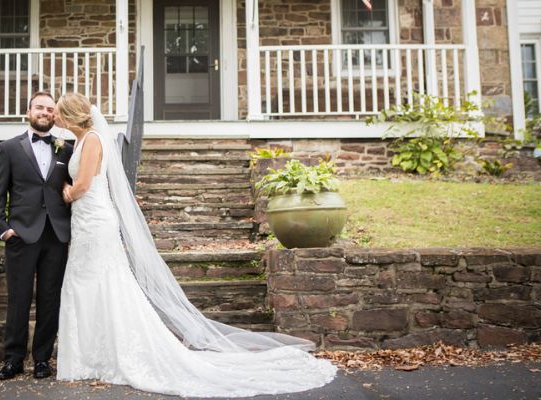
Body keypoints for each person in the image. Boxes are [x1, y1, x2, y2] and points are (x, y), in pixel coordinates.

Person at [52, 92, 337, 397]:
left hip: (95, 221)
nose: (54, 116)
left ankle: (109, 354)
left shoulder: (93, 139)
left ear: (69, 115)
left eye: (57, 112)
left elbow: (83, 185)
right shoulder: (82, 140)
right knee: (88, 285)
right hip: (85, 222)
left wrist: (64, 193)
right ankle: (94, 354)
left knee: (102, 283)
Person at [0, 91, 74, 380]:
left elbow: (72, 187)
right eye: (40, 107)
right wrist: (3, 230)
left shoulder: (66, 148)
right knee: (19, 299)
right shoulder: (9, 148)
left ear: (55, 115)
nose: (45, 112)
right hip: (21, 235)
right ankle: (13, 360)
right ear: (28, 112)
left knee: (50, 299)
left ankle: (41, 359)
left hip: (56, 235)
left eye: (50, 109)